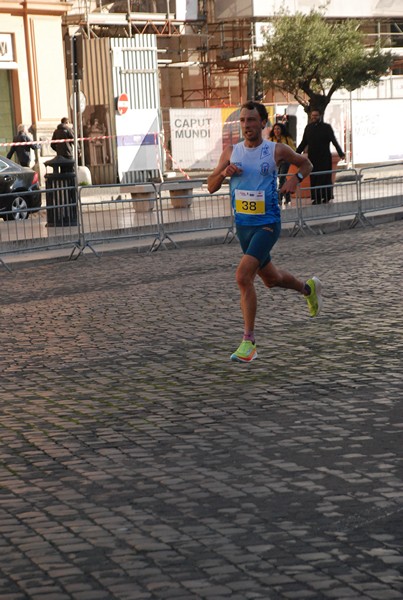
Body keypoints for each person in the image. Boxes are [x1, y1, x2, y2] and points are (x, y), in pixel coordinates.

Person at [207, 100, 322, 363]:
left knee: (242, 276)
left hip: (268, 224)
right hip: (244, 227)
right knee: (271, 279)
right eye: (243, 121)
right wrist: (224, 173)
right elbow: (210, 185)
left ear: (263, 123)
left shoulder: (276, 150)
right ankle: (308, 289)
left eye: (252, 120)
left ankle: (249, 343)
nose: (247, 125)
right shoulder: (231, 152)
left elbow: (307, 165)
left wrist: (295, 179)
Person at [296, 109, 345, 205]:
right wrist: (295, 154)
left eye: (316, 115)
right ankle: (316, 197)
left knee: (325, 177)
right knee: (314, 177)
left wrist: (340, 153)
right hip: (313, 158)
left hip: (324, 157)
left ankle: (327, 196)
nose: (314, 117)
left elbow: (333, 141)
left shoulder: (326, 127)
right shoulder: (308, 128)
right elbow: (304, 142)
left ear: (320, 116)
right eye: (312, 115)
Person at [268, 122, 296, 205]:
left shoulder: (287, 139)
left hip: (285, 161)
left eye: (278, 129)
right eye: (275, 129)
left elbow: (293, 149)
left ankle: (279, 198)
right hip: (276, 162)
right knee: (283, 179)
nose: (276, 131)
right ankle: (287, 198)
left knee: (281, 178)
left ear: (281, 130)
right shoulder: (271, 140)